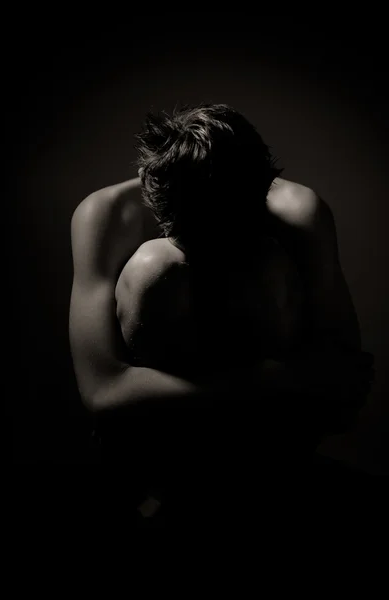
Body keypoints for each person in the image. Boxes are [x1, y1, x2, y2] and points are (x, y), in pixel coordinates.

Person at [69, 104, 374, 516]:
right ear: (149, 188)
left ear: (267, 188)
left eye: (231, 230)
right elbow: (102, 390)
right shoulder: (107, 213)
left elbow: (344, 385)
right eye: (197, 234)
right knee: (155, 266)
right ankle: (172, 485)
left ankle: (260, 480)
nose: (216, 247)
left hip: (268, 438)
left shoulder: (296, 210)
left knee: (265, 262)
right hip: (163, 441)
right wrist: (275, 379)